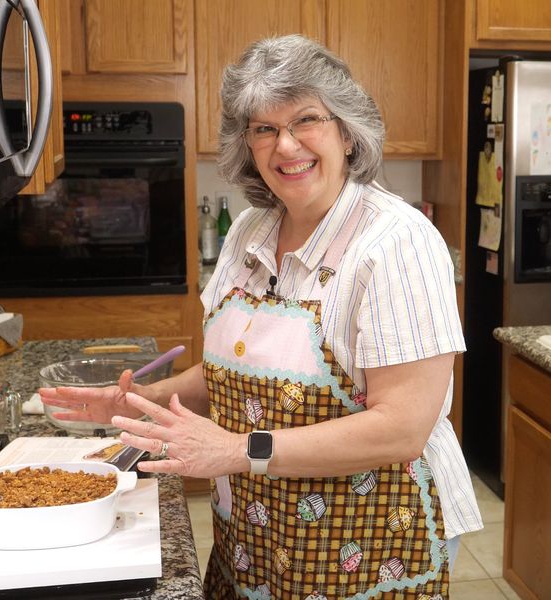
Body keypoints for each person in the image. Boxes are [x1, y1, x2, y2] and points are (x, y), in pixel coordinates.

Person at [40, 34, 483, 599]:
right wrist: (143, 400)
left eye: (306, 120)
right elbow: (232, 374)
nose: (286, 145)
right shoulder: (250, 230)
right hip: (252, 536)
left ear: (347, 133)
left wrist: (237, 450)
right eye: (264, 128)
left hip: (372, 544)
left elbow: (402, 428)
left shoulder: (397, 244)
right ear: (246, 144)